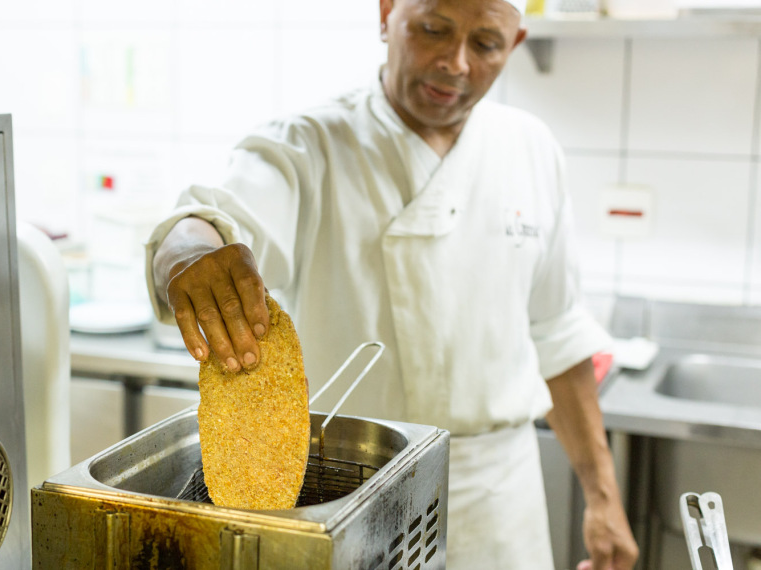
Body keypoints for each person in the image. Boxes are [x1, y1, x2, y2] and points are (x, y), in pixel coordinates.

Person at [145, 0, 640, 567]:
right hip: (353, 496)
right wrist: (187, 252)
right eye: (434, 29)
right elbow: (207, 222)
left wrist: (603, 497)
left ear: (516, 40)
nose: (456, 63)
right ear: (385, 14)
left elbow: (558, 335)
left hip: (500, 505)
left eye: (485, 44)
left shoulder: (531, 149)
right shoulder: (307, 145)